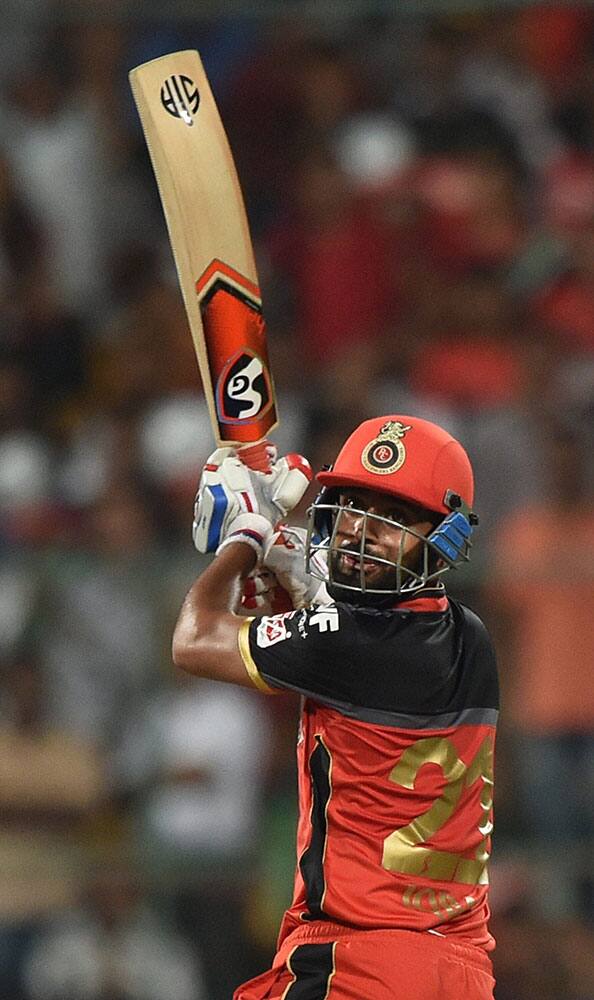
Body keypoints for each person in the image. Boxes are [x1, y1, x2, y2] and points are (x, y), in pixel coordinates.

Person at [173, 415, 499, 1000]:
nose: (361, 531)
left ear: (443, 537)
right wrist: (297, 578)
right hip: (462, 968)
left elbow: (193, 640)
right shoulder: (472, 639)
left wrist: (245, 540)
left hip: (360, 962)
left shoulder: (345, 643)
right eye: (353, 506)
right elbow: (360, 631)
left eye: (395, 518)